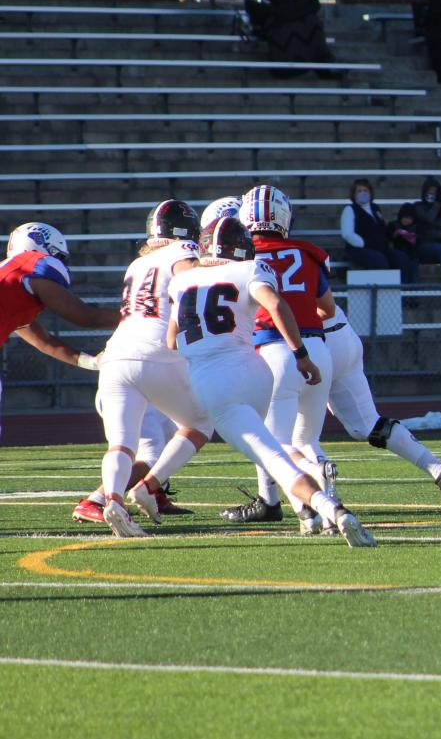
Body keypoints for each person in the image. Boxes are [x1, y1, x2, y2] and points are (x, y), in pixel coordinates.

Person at [165, 215, 375, 547]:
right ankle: (313, 511)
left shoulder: (181, 281)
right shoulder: (249, 269)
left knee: (274, 455)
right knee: (277, 449)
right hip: (256, 371)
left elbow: (171, 341)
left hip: (215, 384)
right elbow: (276, 303)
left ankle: (327, 510)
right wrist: (301, 354)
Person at [92, 200, 214, 537]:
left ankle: (113, 500)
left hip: (116, 355)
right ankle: (148, 485)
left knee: (121, 444)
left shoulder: (137, 263)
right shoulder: (184, 250)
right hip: (156, 353)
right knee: (200, 423)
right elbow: (191, 276)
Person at [223, 185, 339, 535]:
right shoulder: (308, 254)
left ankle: (305, 509)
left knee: (273, 445)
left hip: (273, 350)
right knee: (306, 440)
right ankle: (312, 486)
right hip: (318, 346)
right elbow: (327, 309)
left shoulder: (240, 257)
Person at [314, 300, 441, 517]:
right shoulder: (307, 264)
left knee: (293, 436)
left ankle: (313, 505)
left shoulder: (260, 268)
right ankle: (440, 471)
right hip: (340, 332)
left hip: (307, 339)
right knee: (367, 426)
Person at [0, 223, 119, 442]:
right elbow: (85, 317)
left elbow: (43, 341)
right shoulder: (33, 263)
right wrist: (139, 317)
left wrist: (90, 362)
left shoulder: (10, 279)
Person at [340, 179, 417, 284]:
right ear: (353, 194)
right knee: (379, 261)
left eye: (365, 190)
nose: (363, 193)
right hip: (358, 250)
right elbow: (347, 233)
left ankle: (404, 295)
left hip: (379, 248)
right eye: (359, 191)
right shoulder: (350, 210)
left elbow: (382, 228)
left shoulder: (375, 209)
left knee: (401, 258)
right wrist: (363, 243)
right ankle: (382, 296)